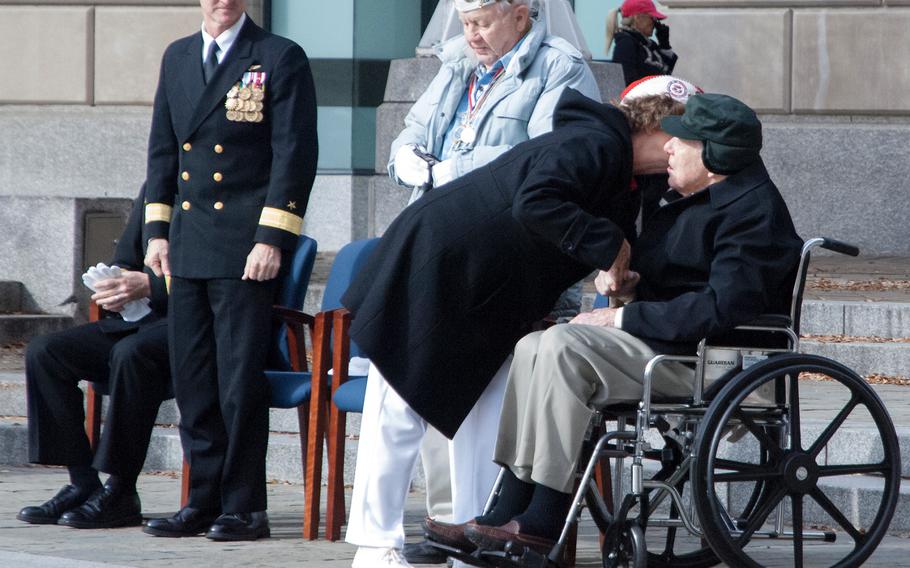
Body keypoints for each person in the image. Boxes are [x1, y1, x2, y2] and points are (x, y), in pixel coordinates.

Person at [341, 86, 686, 568]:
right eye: (678, 138)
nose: (680, 152)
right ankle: (375, 545)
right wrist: (610, 245)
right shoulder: (597, 143)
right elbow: (537, 201)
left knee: (487, 418)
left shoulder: (625, 174)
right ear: (654, 127)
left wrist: (616, 258)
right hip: (439, 265)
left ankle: (475, 538)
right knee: (398, 406)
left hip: (487, 287)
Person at [453, 93, 803, 555]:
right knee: (532, 345)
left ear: (715, 155)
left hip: (713, 360)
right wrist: (629, 287)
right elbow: (672, 288)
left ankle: (544, 517)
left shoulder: (751, 212)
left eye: (682, 141)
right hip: (669, 344)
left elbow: (721, 308)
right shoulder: (688, 199)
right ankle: (505, 507)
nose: (669, 149)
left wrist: (621, 315)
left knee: (562, 346)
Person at [386, 0, 599, 562]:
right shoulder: (457, 62)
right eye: (465, 22)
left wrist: (445, 172)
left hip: (506, 260)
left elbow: (543, 163)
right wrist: (409, 157)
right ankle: (448, 521)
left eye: (483, 21)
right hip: (441, 251)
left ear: (523, 15)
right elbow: (411, 133)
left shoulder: (559, 66)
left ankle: (481, 524)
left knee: (484, 399)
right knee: (433, 385)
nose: (471, 34)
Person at [142, 0, 317, 541]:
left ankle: (245, 507)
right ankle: (202, 499)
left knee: (237, 383)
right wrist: (156, 231)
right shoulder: (177, 56)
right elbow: (163, 151)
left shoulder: (278, 55)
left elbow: (295, 152)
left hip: (246, 247)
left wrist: (273, 239)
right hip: (189, 245)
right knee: (195, 381)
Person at [17, 184, 170, 529]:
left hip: (189, 326)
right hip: (138, 320)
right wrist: (114, 284)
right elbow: (128, 257)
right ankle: (83, 482)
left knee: (130, 355)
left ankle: (121, 490)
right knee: (46, 352)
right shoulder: (157, 189)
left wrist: (152, 286)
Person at [606, 0, 677, 86]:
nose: (655, 23)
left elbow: (666, 72)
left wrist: (664, 44)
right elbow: (627, 82)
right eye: (652, 18)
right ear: (638, 18)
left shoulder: (648, 45)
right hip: (642, 98)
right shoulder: (626, 44)